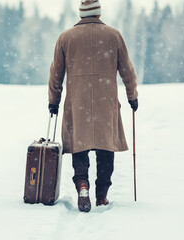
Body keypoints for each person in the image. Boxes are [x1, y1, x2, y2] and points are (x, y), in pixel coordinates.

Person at [47, 0, 139, 212]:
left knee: (80, 145)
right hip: (105, 102)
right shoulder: (113, 35)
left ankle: (82, 184)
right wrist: (132, 95)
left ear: (81, 14)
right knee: (106, 148)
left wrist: (54, 101)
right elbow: (127, 70)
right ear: (98, 14)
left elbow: (56, 75)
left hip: (77, 102)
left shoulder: (65, 38)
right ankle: (102, 195)